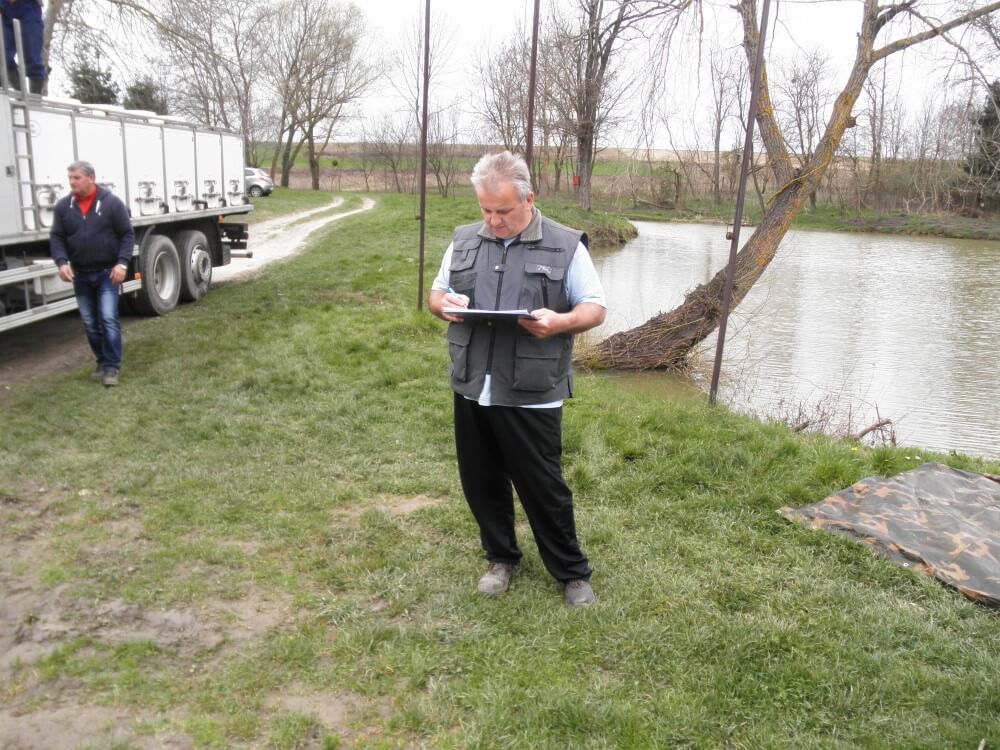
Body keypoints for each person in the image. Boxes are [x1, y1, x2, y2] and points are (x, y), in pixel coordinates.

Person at [428, 151, 607, 608]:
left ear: (529, 199)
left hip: (531, 388)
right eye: (486, 210)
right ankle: (501, 558)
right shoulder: (464, 240)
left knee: (542, 485)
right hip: (473, 383)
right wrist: (446, 306)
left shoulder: (566, 245)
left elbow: (594, 307)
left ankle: (571, 573)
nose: (493, 221)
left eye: (503, 211)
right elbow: (436, 294)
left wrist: (560, 322)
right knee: (481, 479)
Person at [49, 160, 135, 387]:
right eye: (70, 178)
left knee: (108, 318)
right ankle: (102, 361)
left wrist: (122, 264)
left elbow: (127, 234)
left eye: (76, 178)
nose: (72, 182)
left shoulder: (111, 204)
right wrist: (61, 262)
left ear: (91, 178)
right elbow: (57, 237)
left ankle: (112, 367)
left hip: (107, 273)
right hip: (81, 275)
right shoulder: (64, 207)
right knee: (89, 322)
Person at [1, 0, 45, 94]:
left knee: (32, 54)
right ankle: (19, 93)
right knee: (3, 55)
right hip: (4, 8)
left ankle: (35, 97)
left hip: (29, 6)